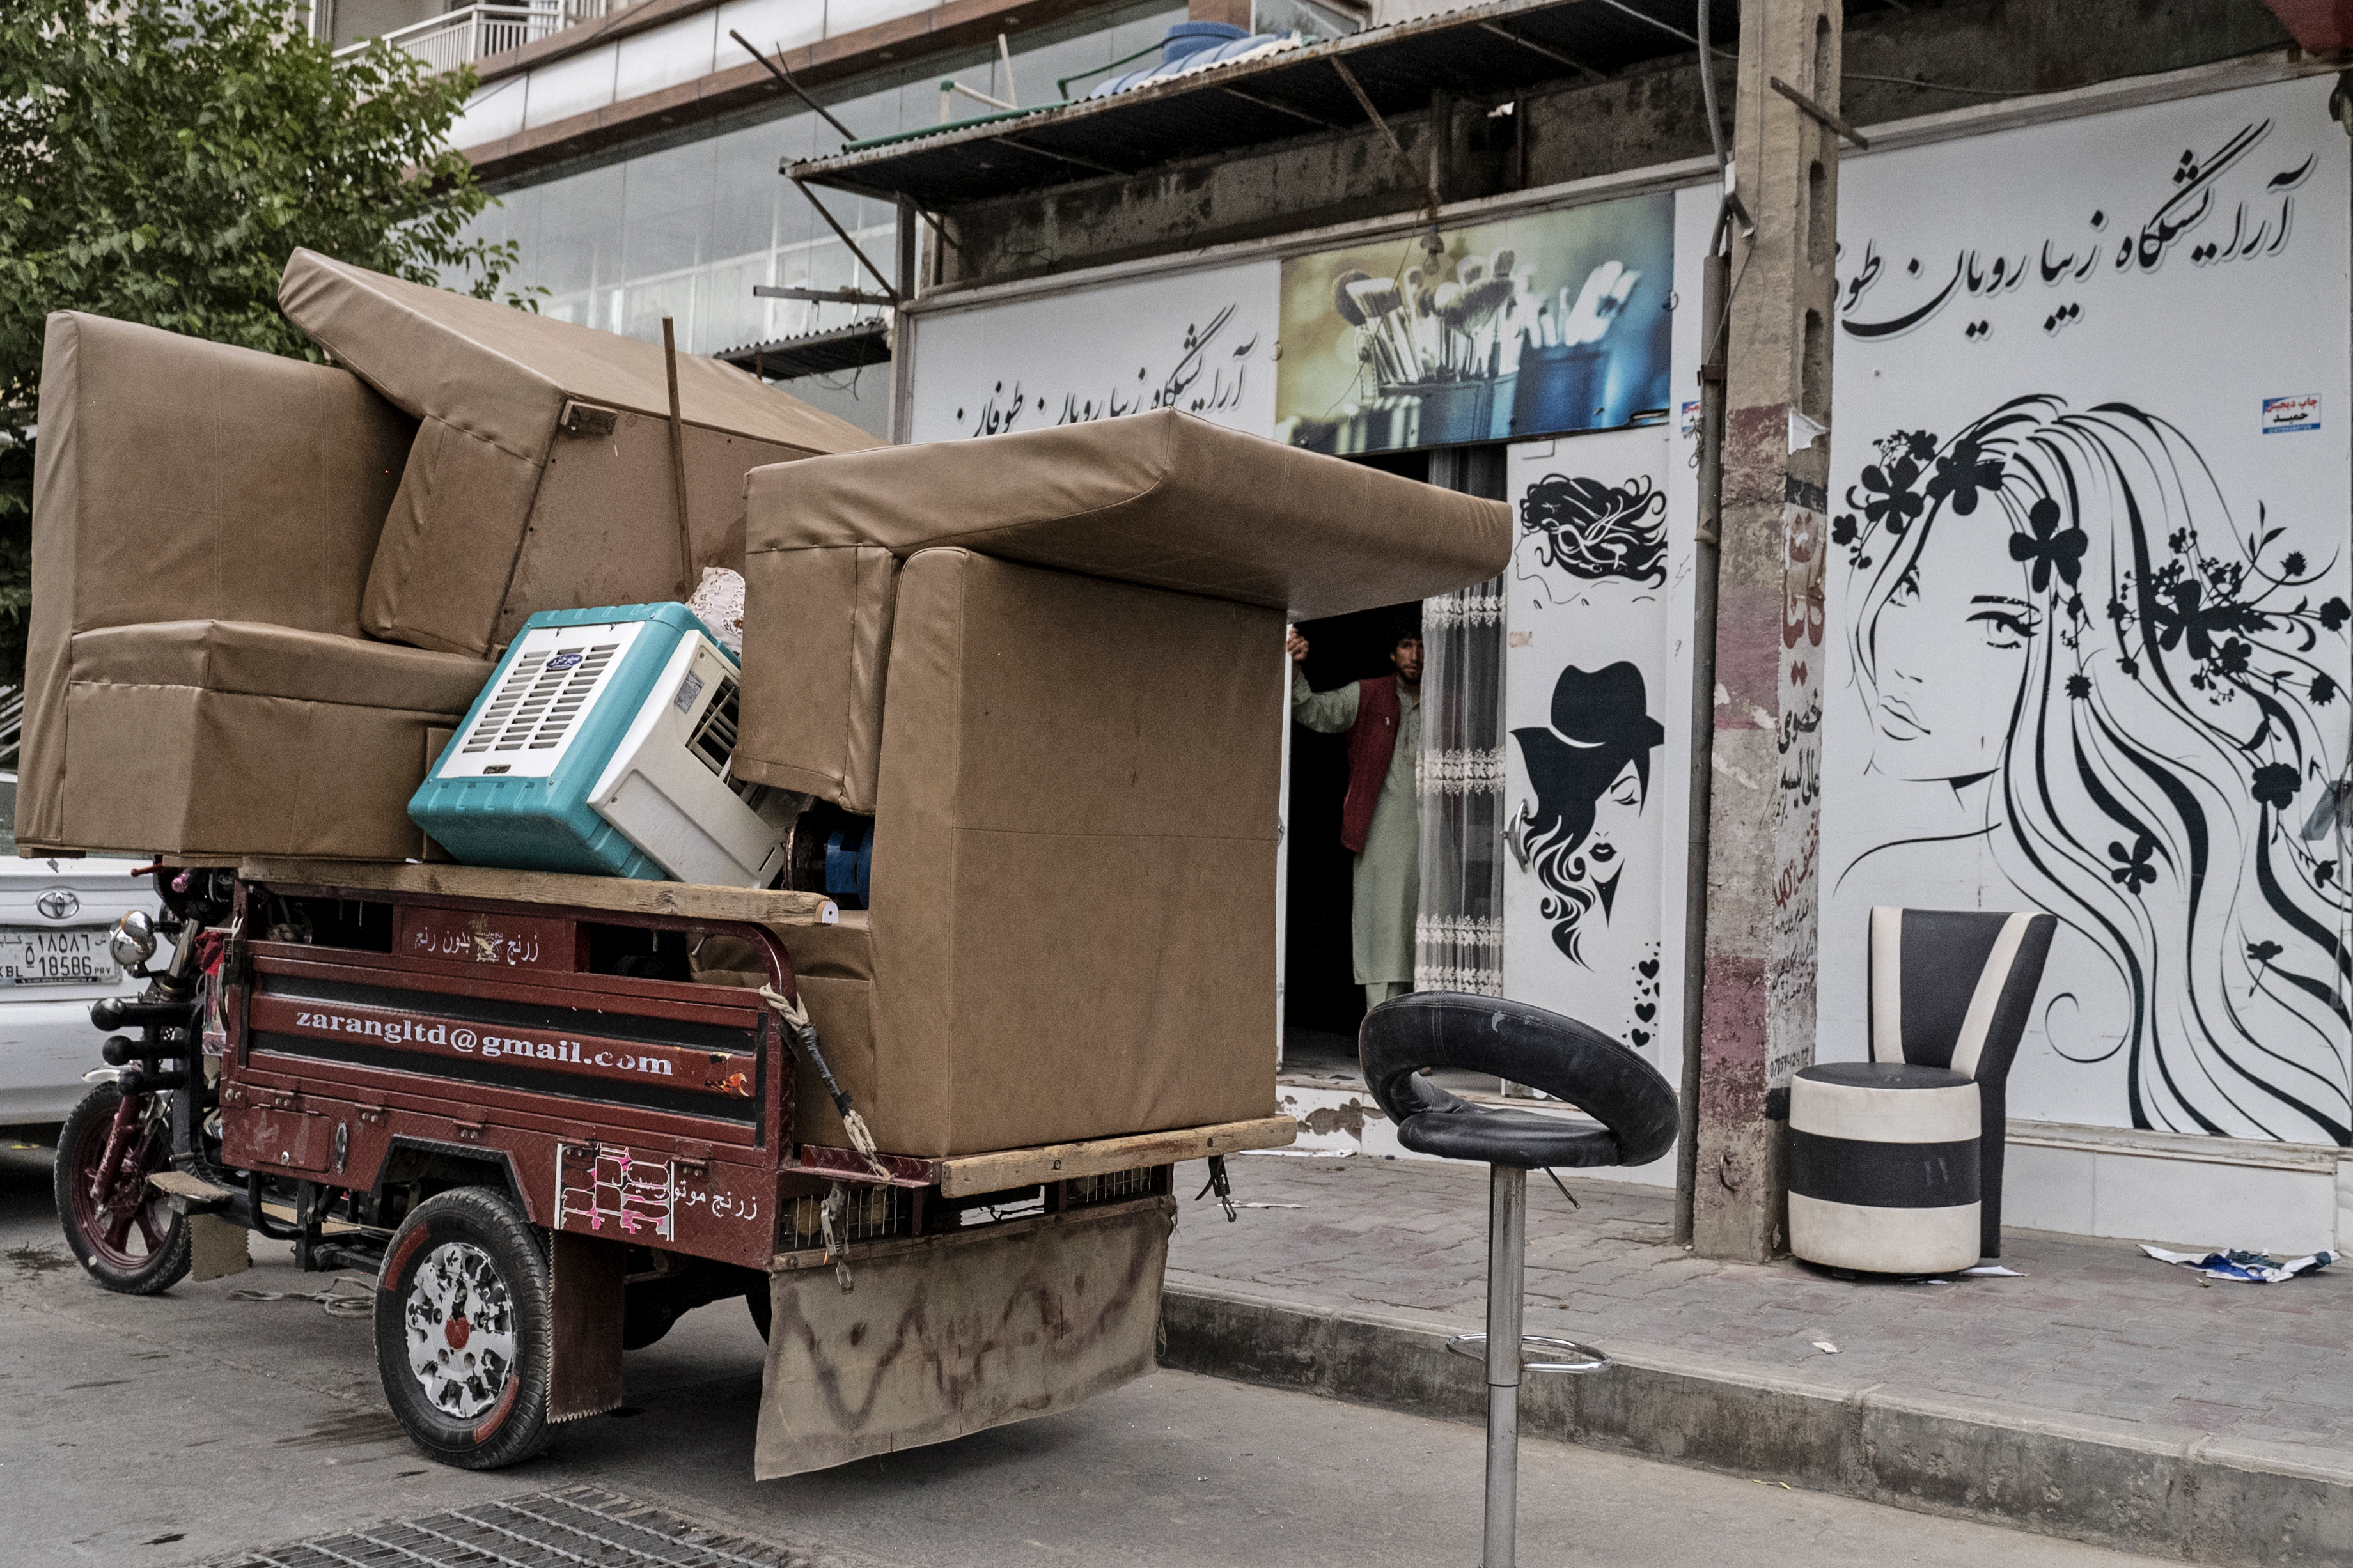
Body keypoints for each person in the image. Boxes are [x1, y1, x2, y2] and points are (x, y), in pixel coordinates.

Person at [1290, 618, 1423, 1013]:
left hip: (1437, 834)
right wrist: (1294, 667)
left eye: (1421, 644)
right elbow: (1313, 710)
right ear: (1390, 652)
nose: (1415, 654)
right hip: (1382, 830)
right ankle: (1388, 1036)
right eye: (1405, 645)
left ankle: (1424, 1037)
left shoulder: (1450, 701)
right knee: (1385, 930)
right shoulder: (1369, 695)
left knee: (1425, 934)